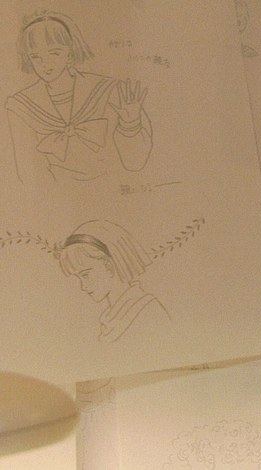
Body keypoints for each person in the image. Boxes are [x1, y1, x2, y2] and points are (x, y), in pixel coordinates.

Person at [6, 11, 153, 183]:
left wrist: (131, 126)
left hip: (112, 189)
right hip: (56, 195)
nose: (44, 63)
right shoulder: (20, 105)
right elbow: (29, 174)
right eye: (35, 56)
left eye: (54, 53)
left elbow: (135, 164)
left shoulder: (108, 91)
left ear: (70, 52)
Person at [58, 220, 169, 342]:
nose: (83, 287)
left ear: (109, 266)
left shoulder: (147, 311)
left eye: (85, 275)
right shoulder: (111, 317)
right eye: (79, 277)